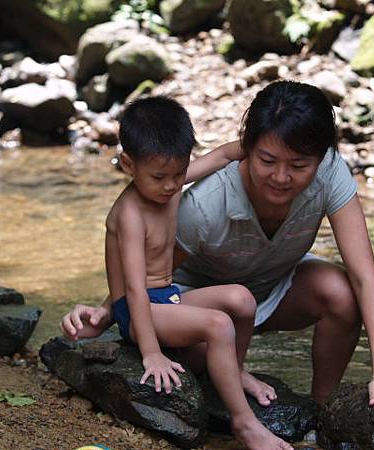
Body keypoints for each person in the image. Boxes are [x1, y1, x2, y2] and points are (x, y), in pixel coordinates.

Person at [62, 81, 374, 415]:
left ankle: (321, 413)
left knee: (343, 292)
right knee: (202, 351)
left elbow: (364, 274)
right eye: (267, 160)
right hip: (200, 304)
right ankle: (226, 402)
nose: (281, 177)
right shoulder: (205, 205)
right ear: (248, 148)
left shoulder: (330, 173)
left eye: (299, 164)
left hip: (265, 295)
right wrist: (108, 313)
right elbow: (146, 277)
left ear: (322, 157)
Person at [83, 95, 293, 450]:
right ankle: (245, 424)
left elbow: (224, 155)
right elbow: (134, 289)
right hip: (137, 312)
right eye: (160, 176)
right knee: (218, 324)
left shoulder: (168, 181)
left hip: (167, 296)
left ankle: (235, 371)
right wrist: (150, 353)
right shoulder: (130, 213)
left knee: (241, 298)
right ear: (127, 165)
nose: (171, 185)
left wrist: (271, 150)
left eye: (180, 173)